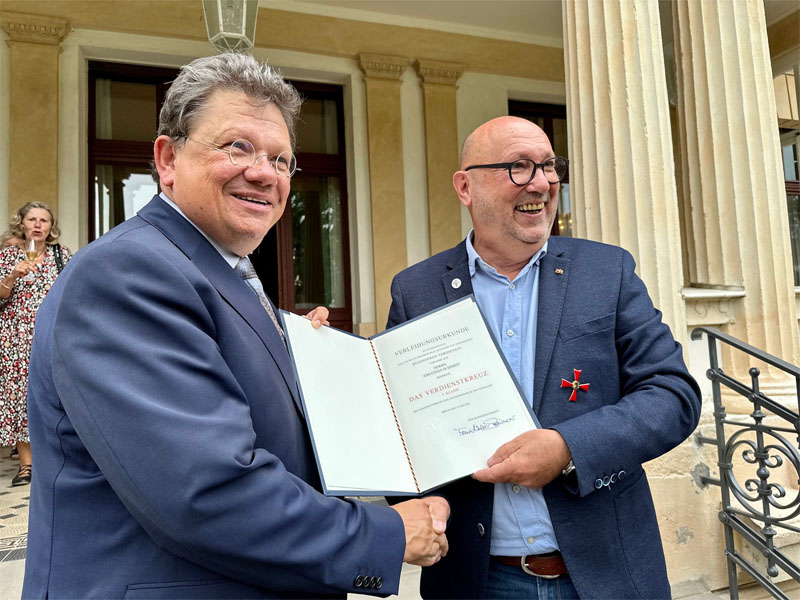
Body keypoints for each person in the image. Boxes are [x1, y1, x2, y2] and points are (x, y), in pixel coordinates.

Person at [23, 52, 448, 598]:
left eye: (281, 159)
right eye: (237, 147)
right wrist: (385, 534)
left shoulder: (220, 269)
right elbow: (205, 494)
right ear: (167, 158)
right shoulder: (129, 272)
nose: (263, 172)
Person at [386, 116, 702, 599]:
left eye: (549, 166)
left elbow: (673, 394)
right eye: (518, 166)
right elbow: (396, 423)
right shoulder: (417, 290)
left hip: (605, 574)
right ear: (465, 186)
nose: (542, 182)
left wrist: (568, 448)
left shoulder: (606, 271)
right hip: (476, 578)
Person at [0, 202, 70, 486]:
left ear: (51, 227)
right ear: (23, 224)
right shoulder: (8, 256)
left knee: (54, 394)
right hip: (15, 337)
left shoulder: (61, 255)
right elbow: (1, 296)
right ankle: (27, 464)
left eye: (44, 220)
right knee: (19, 398)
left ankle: (56, 457)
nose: (38, 224)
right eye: (32, 219)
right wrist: (13, 275)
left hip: (51, 334)